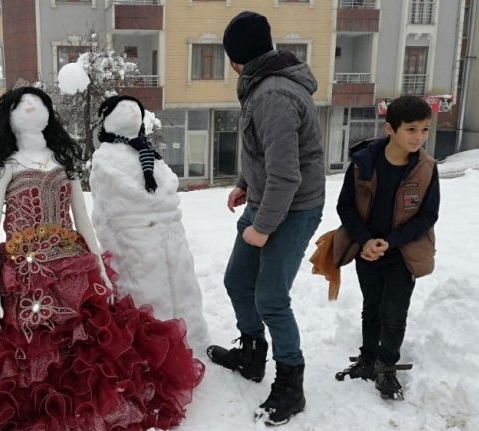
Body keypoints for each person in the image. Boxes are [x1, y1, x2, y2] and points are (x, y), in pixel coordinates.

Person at [0, 86, 204, 430]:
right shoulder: (4, 167)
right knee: (20, 352)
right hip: (21, 271)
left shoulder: (63, 163)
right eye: (21, 104)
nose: (30, 107)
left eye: (38, 102)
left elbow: (82, 219)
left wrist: (99, 265)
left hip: (72, 266)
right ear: (7, 118)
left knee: (89, 344)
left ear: (49, 113)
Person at [205, 11, 326, 426]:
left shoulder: (272, 95)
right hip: (268, 198)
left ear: (235, 60)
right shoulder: (263, 85)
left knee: (271, 298)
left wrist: (262, 227)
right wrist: (244, 182)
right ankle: (253, 354)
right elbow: (265, 153)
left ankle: (291, 383)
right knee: (238, 282)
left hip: (294, 207)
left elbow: (287, 175)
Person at [334, 95, 439, 400]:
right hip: (366, 250)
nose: (418, 137)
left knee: (394, 313)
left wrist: (390, 242)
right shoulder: (363, 163)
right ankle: (368, 359)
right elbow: (346, 207)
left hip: (402, 253)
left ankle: (387, 367)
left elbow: (429, 215)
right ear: (390, 129)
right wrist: (365, 240)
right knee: (372, 308)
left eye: (425, 129)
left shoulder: (427, 169)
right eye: (411, 129)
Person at [89, 95, 211, 352]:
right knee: (146, 290)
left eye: (136, 110)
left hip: (169, 234)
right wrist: (151, 206)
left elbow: (168, 184)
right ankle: (152, 345)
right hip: (134, 238)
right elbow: (110, 200)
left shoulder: (149, 152)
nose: (132, 113)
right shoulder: (105, 158)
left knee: (181, 284)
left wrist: (160, 205)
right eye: (124, 109)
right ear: (108, 119)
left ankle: (191, 337)